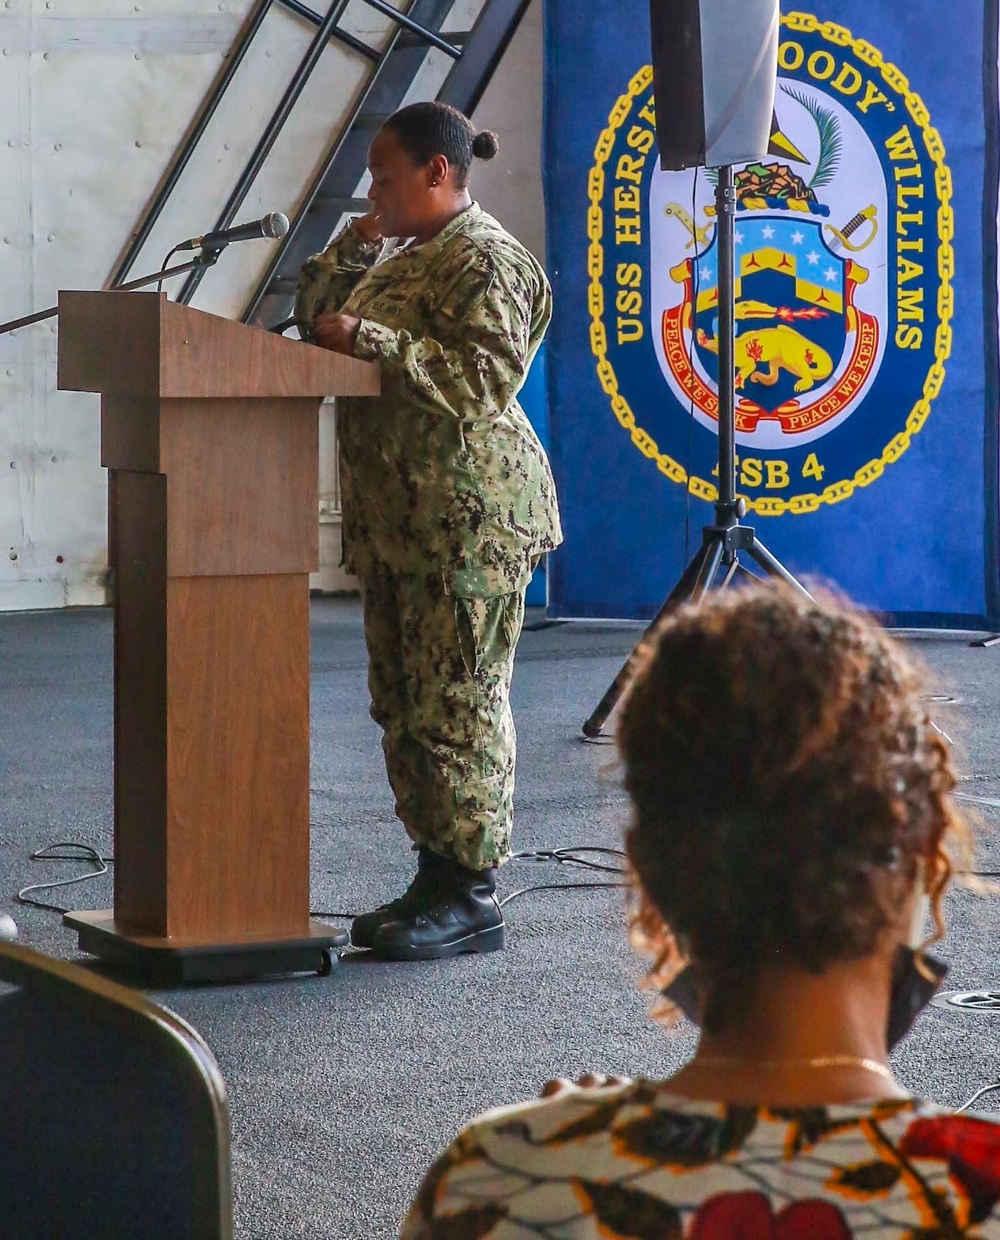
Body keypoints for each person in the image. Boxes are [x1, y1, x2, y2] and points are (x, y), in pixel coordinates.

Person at [402, 583, 1000, 1236]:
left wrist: (561, 1142)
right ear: (923, 854)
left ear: (648, 871)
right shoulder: (979, 1195)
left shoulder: (492, 1182)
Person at [295, 101, 561, 961]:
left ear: (436, 173)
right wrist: (357, 245)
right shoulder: (404, 253)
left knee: (460, 704)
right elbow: (316, 319)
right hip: (402, 522)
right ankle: (434, 872)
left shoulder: (487, 259)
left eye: (384, 175)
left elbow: (484, 380)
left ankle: (470, 890)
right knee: (405, 706)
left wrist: (374, 340)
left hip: (468, 523)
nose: (373, 190)